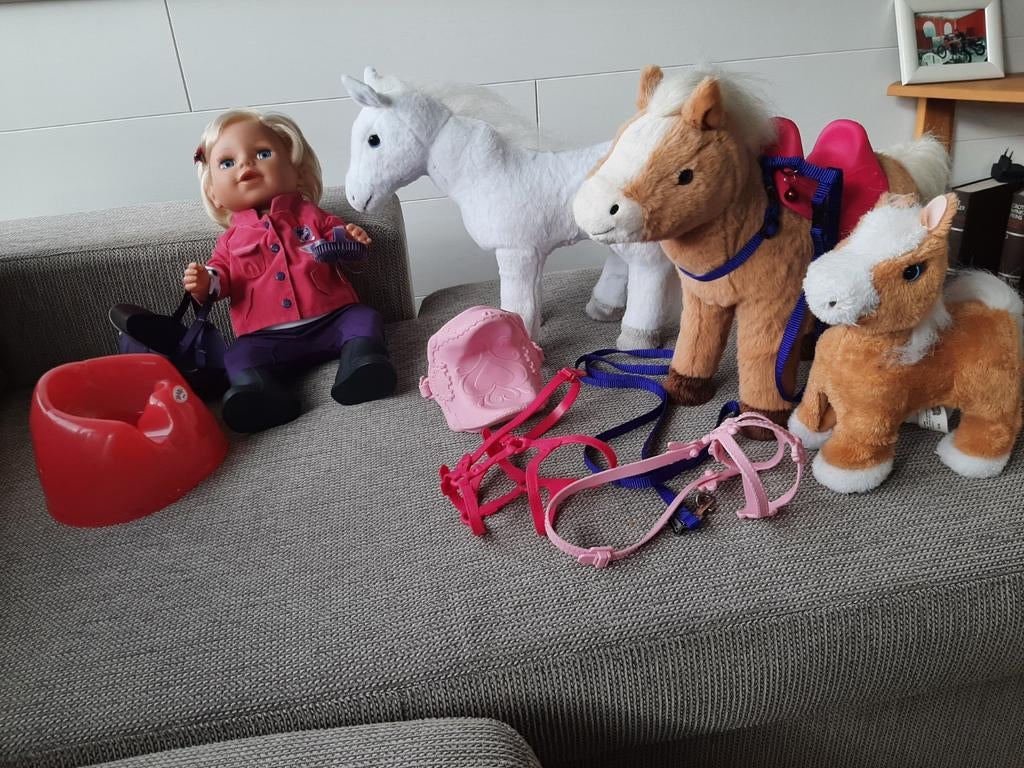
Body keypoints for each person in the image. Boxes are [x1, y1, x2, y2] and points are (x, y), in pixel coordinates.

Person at [184, 109, 396, 433]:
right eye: (227, 162)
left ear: (294, 170)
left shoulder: (312, 216)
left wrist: (352, 241)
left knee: (363, 318)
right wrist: (204, 282)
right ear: (214, 192)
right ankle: (260, 394)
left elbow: (345, 250)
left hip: (331, 321)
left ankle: (361, 365)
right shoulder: (229, 241)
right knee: (238, 355)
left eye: (262, 154)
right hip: (267, 339)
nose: (245, 164)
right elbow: (220, 279)